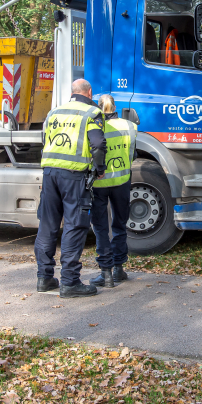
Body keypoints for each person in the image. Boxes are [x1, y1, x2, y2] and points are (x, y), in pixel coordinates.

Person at [35, 79, 107, 298]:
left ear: (72, 92)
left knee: (48, 225)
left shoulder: (54, 112)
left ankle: (44, 278)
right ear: (89, 92)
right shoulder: (91, 113)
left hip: (49, 173)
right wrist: (100, 168)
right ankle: (69, 282)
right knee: (75, 225)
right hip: (74, 176)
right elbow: (98, 144)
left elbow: (44, 139)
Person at [89, 94, 137, 288]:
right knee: (119, 224)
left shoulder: (94, 126)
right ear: (115, 106)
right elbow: (133, 153)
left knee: (100, 227)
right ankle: (119, 269)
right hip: (122, 181)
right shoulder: (129, 126)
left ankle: (105, 273)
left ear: (98, 107)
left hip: (99, 184)